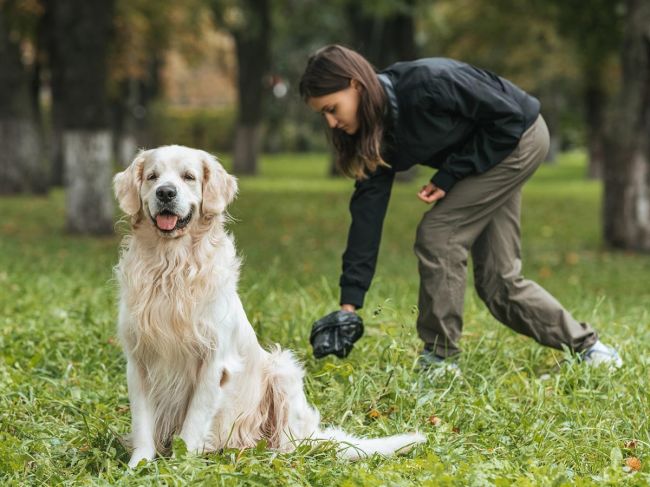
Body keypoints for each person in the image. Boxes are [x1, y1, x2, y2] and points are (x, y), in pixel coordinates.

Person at [299, 44, 622, 369]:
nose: (330, 122)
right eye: (322, 114)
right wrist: (348, 306)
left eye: (332, 108)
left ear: (356, 85)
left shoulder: (428, 83)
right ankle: (591, 350)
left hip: (519, 138)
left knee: (439, 234)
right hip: (490, 152)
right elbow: (367, 216)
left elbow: (508, 119)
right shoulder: (375, 133)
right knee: (499, 282)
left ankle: (439, 359)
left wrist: (450, 175)